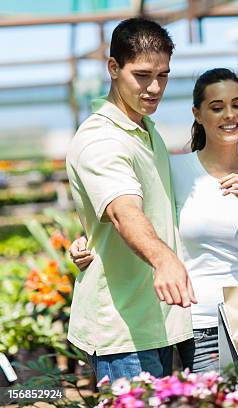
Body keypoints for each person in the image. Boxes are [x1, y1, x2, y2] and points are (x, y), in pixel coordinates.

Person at [71, 68, 238, 373]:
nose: (230, 115)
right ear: (198, 114)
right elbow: (129, 212)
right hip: (193, 322)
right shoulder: (172, 170)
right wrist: (85, 242)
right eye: (217, 107)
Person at [65, 18, 196, 382]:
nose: (155, 87)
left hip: (158, 318)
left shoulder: (144, 127)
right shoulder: (101, 140)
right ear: (113, 68)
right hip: (122, 332)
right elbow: (124, 212)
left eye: (163, 75)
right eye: (142, 75)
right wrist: (163, 259)